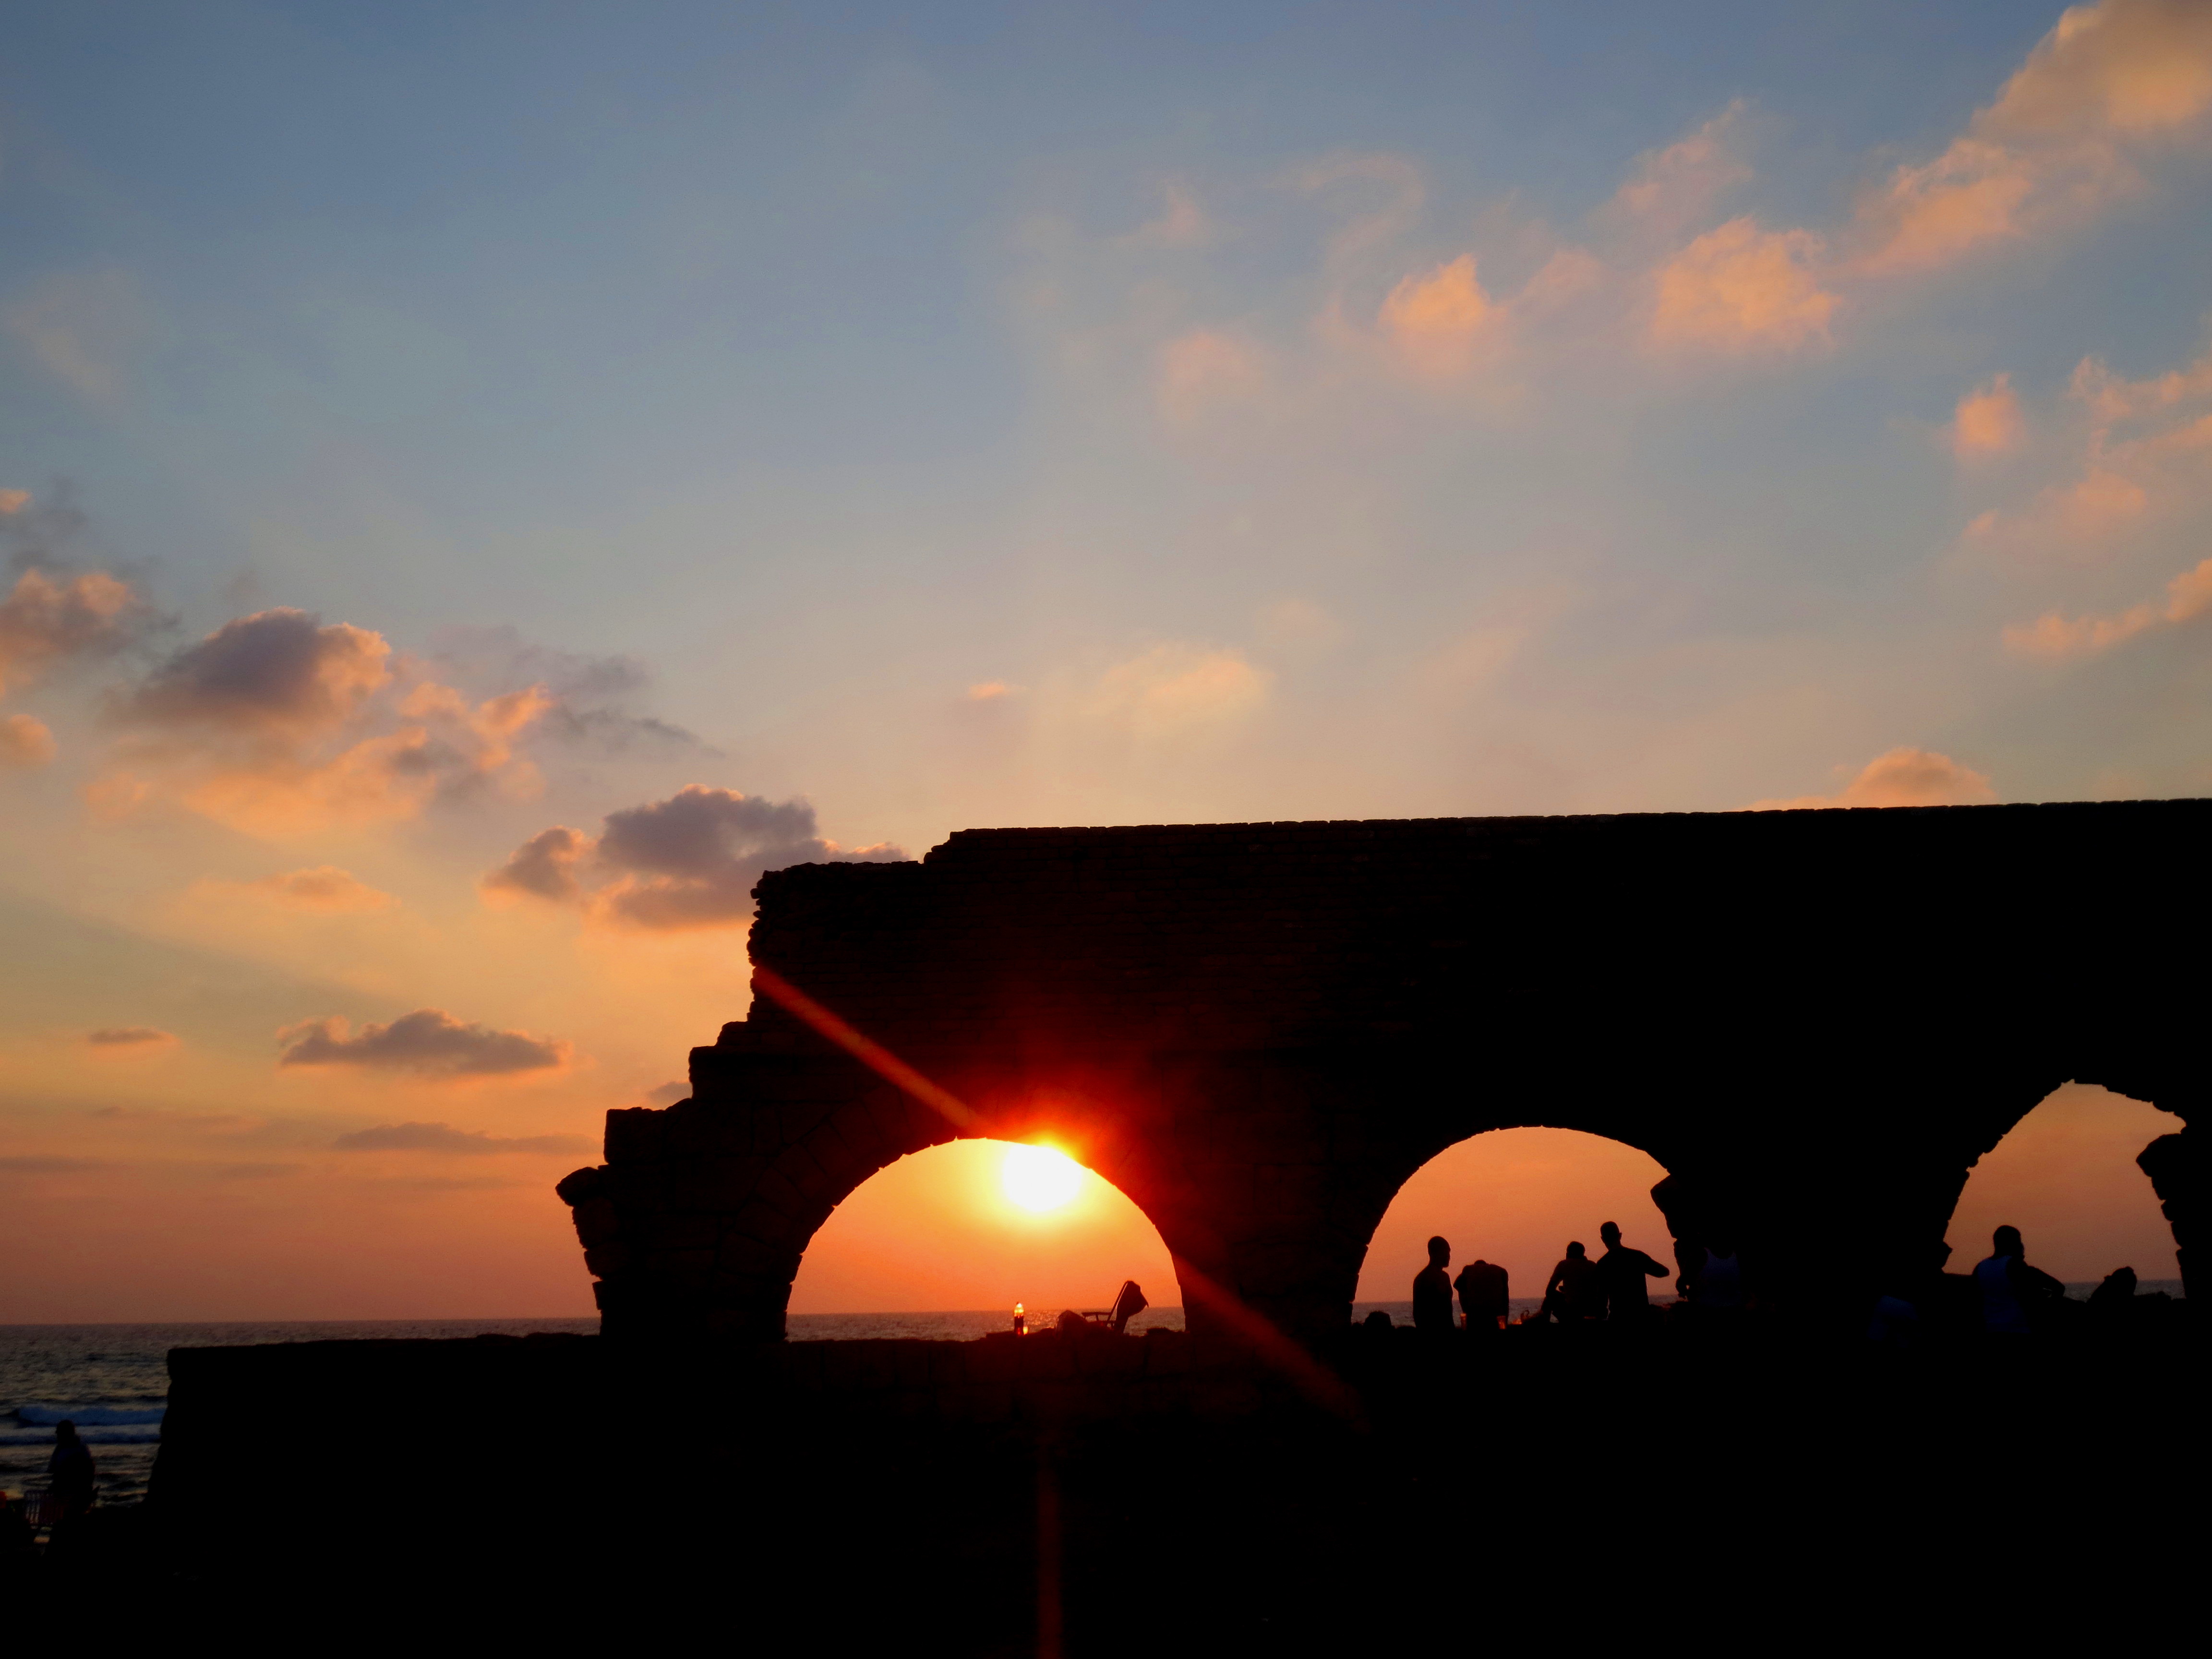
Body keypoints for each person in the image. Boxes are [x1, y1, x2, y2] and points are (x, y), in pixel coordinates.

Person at [1972, 1225, 2065, 1334]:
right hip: (2017, 1329)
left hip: (1991, 1328)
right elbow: (2058, 1287)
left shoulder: (1980, 1267)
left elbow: (1975, 1300)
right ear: (2013, 1243)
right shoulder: (2015, 1265)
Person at [1595, 1221, 1668, 1323]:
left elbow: (1602, 1296)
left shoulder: (1603, 1263)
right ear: (1620, 1236)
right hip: (1641, 1315)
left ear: (1603, 1239)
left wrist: (1600, 1314)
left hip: (1618, 1316)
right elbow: (1664, 1272)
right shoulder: (1637, 1256)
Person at [1539, 1241, 1600, 1323]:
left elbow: (1549, 1291)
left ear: (1568, 1254)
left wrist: (1565, 1295)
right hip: (1592, 1309)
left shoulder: (1564, 1265)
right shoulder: (1593, 1265)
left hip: (1572, 1311)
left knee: (1549, 1299)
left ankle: (1543, 1326)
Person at [48, 1419, 95, 1523]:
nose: (57, 1435)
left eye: (59, 1432)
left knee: (69, 1519)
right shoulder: (61, 1448)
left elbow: (89, 1470)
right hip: (63, 1492)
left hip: (74, 1494)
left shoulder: (79, 1449)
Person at [1413, 1236, 1455, 1334]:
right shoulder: (1427, 1278)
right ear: (1435, 1253)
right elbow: (1419, 1313)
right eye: (1446, 1253)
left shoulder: (1422, 1278)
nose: (1449, 1256)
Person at [1454, 1258, 1510, 1331]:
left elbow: (1457, 1285)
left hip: (1475, 1315)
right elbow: (1506, 1300)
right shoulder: (1501, 1271)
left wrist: (1466, 1311)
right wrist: (1505, 1322)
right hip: (1495, 1315)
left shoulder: (1468, 1270)